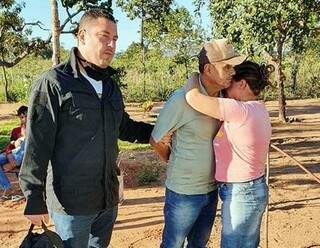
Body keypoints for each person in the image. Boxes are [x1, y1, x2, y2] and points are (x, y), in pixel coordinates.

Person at [19, 9, 153, 248]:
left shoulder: (110, 86)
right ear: (82, 36)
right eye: (104, 36)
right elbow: (37, 144)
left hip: (107, 199)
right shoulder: (54, 83)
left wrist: (157, 132)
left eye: (115, 39)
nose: (111, 44)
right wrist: (33, 197)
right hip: (71, 205)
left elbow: (123, 127)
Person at [150, 38, 246, 248]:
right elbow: (155, 139)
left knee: (199, 243)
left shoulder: (225, 99)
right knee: (173, 243)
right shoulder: (180, 100)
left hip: (212, 189)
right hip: (184, 191)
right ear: (209, 69)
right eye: (227, 66)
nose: (233, 71)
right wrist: (170, 157)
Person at [185, 61, 274, 248]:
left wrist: (195, 76)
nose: (225, 87)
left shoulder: (239, 110)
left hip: (243, 192)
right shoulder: (258, 109)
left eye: (230, 82)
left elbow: (193, 98)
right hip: (249, 188)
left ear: (242, 84)